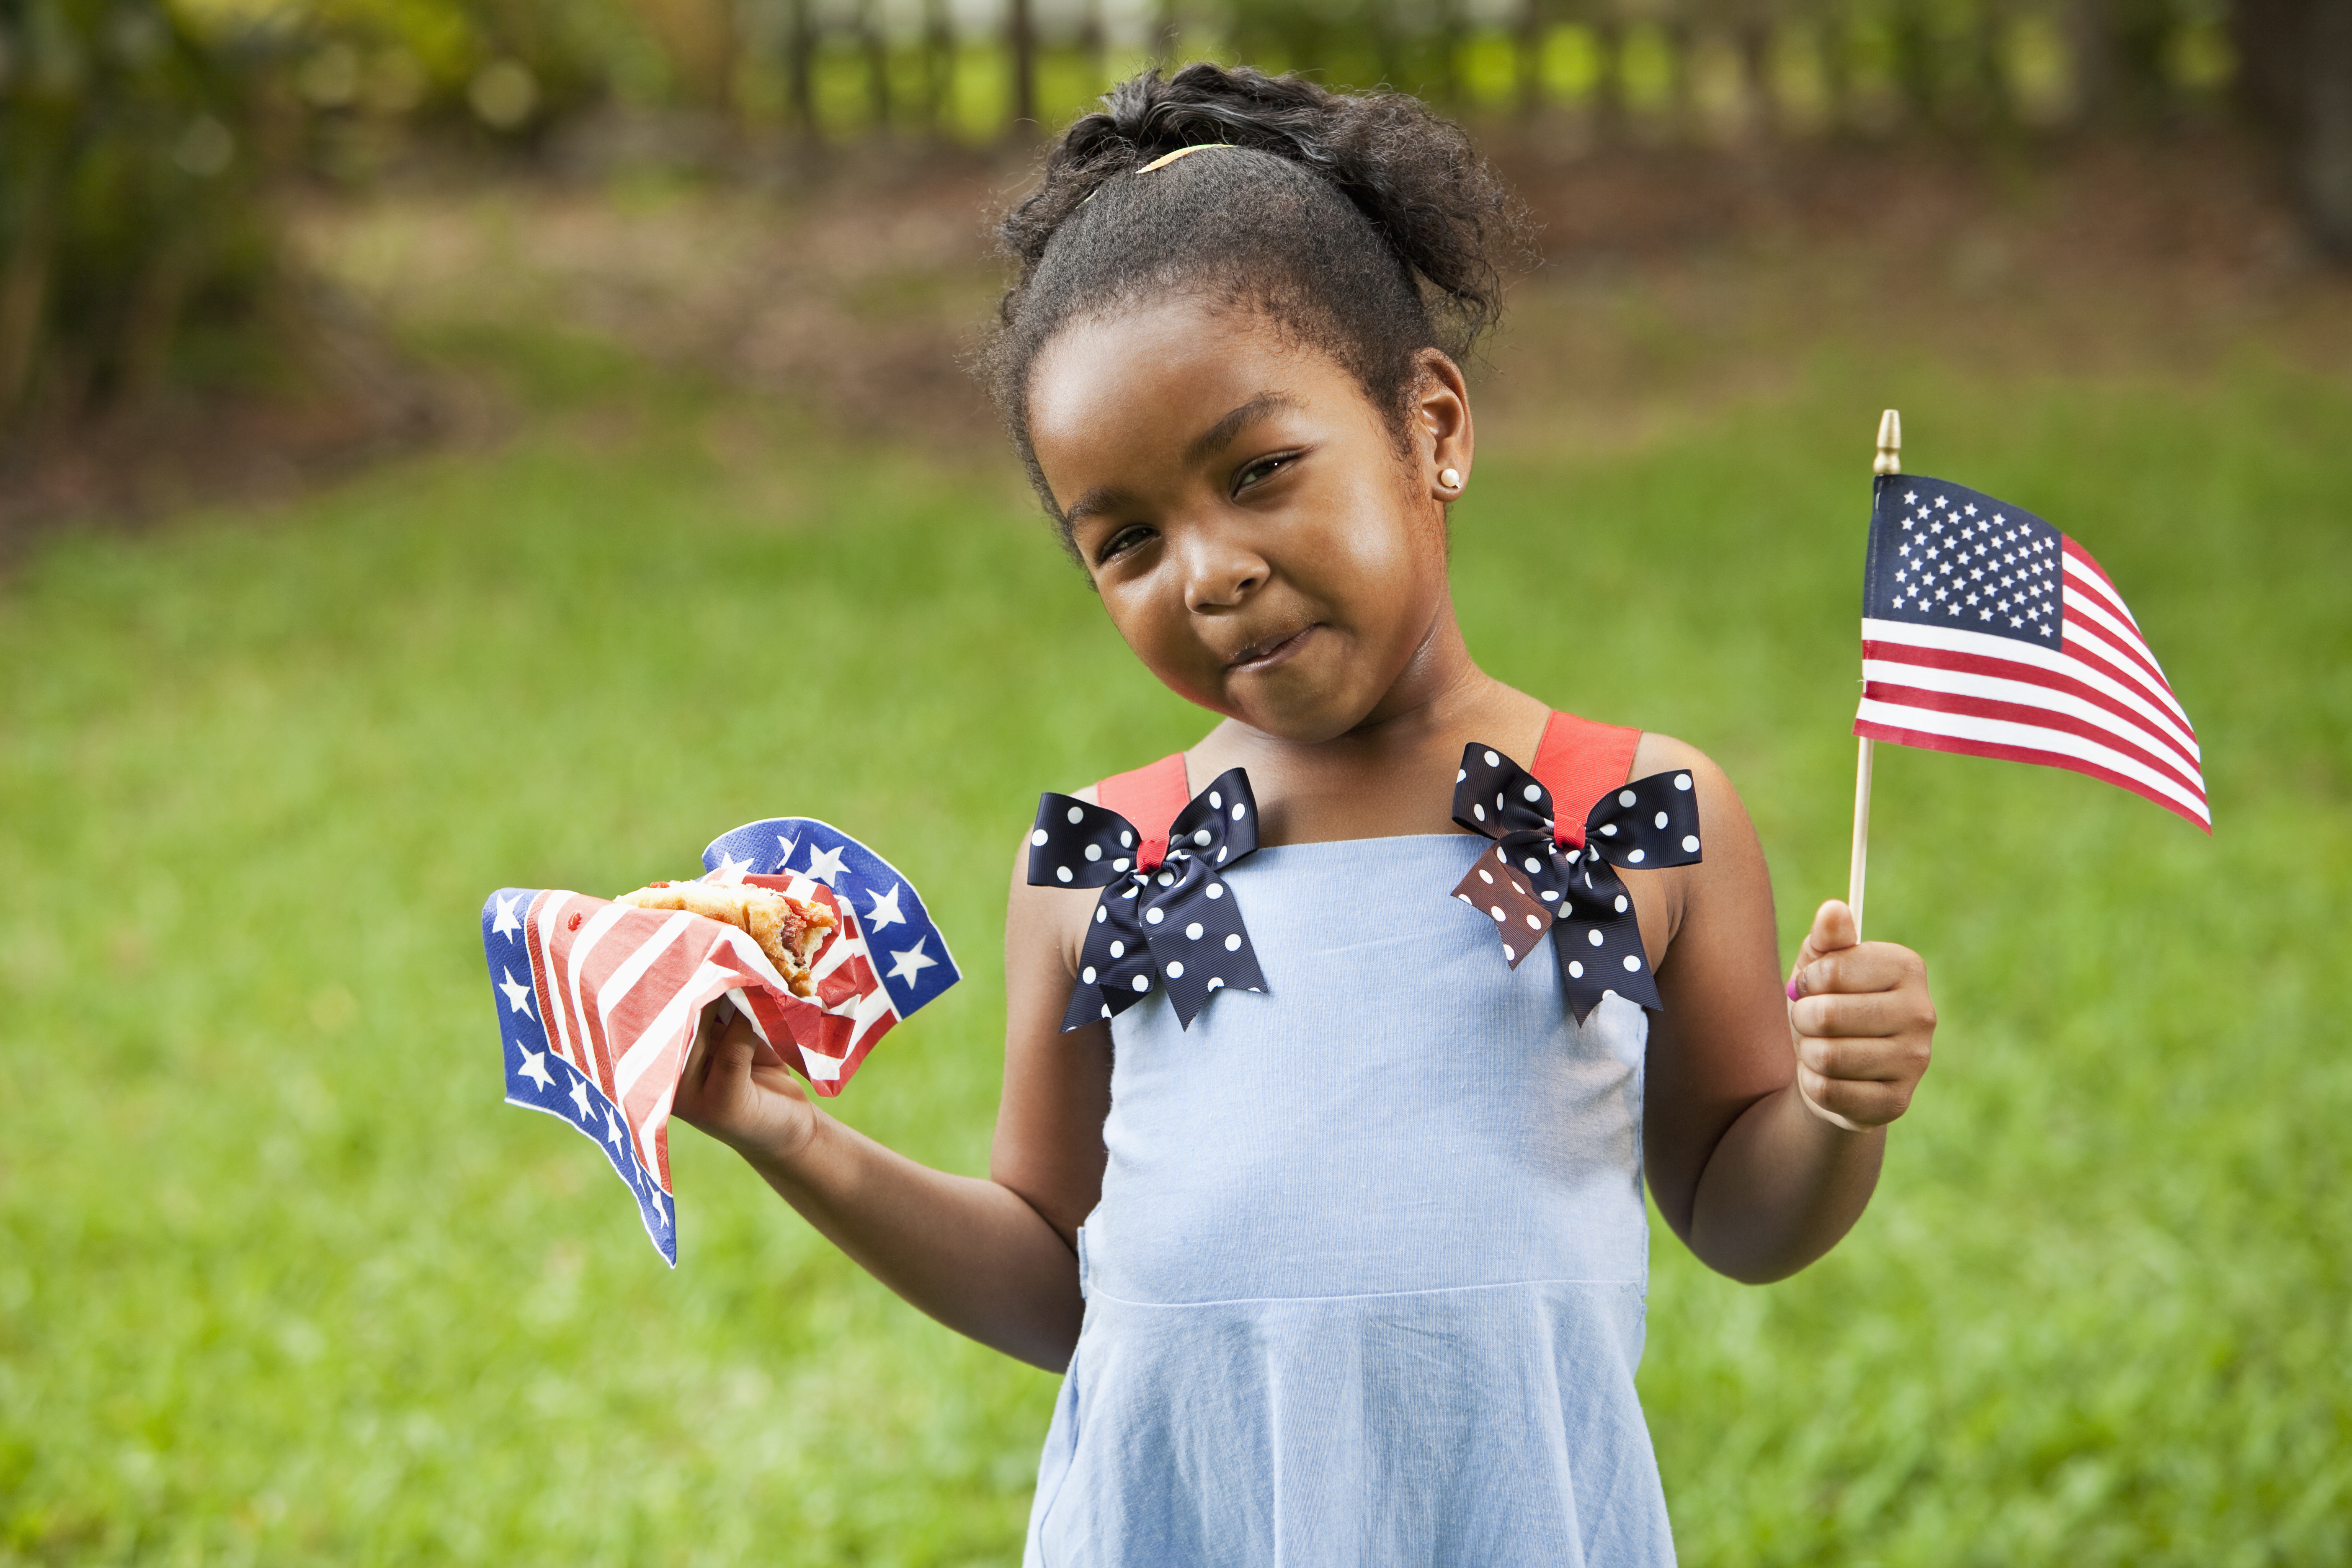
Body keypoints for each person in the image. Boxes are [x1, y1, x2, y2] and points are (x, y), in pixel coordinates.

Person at [673, 62, 1937, 1566]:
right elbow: (1052, 1278)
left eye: (1261, 471)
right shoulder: (1102, 860)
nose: (1207, 572)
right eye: (1127, 540)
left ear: (1433, 427)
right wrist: (784, 1136)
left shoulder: (1643, 813)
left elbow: (1740, 1212)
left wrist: (1837, 1111)